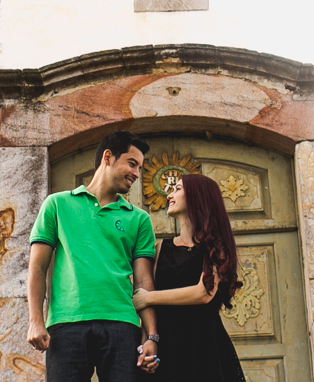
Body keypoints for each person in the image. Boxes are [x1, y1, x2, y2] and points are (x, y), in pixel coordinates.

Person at [27, 131, 161, 381]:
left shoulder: (139, 219)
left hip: (122, 325)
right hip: (66, 324)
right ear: (107, 157)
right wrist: (36, 320)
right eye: (132, 164)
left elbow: (144, 283)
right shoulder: (57, 205)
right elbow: (37, 267)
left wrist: (151, 336)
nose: (136, 173)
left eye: (139, 168)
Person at [132, 174, 246, 382]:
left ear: (197, 196)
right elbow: (148, 305)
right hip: (166, 344)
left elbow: (203, 293)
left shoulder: (216, 248)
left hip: (202, 344)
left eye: (177, 189)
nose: (169, 195)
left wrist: (148, 297)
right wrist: (147, 340)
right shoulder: (160, 248)